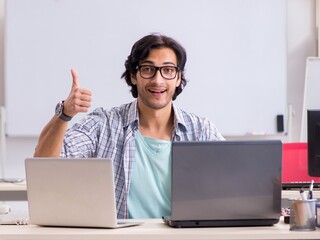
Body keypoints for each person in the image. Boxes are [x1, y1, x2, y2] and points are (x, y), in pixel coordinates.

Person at [33, 34, 224, 219]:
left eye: (167, 70)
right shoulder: (105, 124)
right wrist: (64, 114)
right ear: (133, 76)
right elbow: (44, 165)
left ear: (178, 78)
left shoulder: (201, 130)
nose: (158, 80)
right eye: (148, 69)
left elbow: (233, 182)